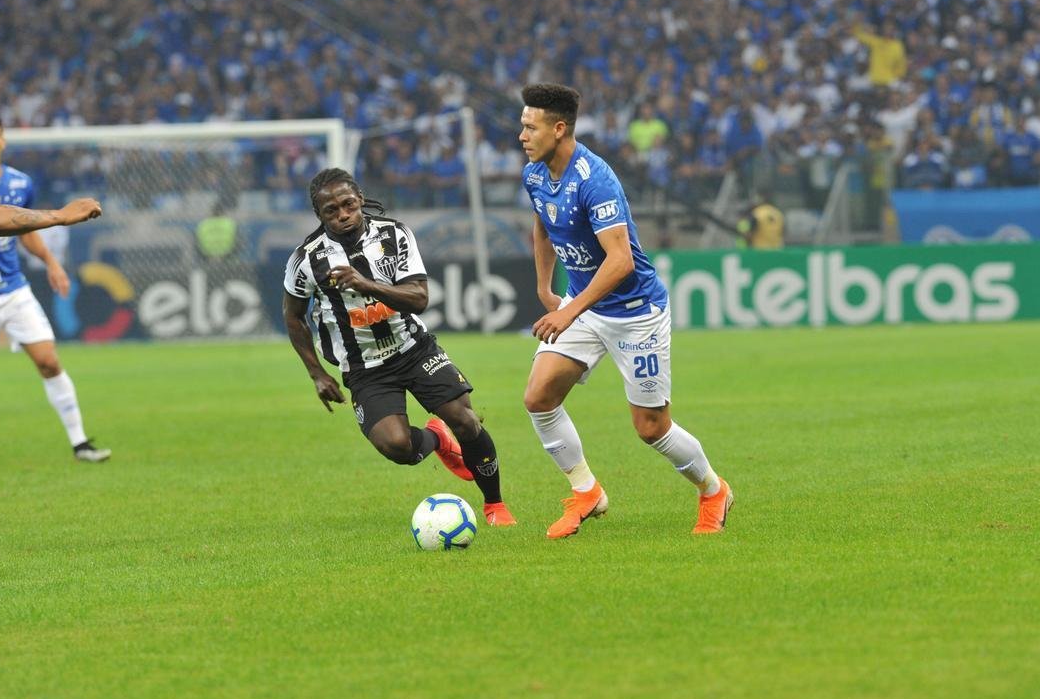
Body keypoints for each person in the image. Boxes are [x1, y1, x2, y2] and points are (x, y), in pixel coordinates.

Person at [517, 83, 733, 538]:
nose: (522, 135)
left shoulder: (596, 179)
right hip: (584, 306)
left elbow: (620, 261)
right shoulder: (535, 175)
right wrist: (544, 288)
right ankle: (586, 491)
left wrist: (568, 311)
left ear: (559, 129)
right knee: (538, 397)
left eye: (530, 127)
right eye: (522, 125)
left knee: (651, 427)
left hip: (636, 313)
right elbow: (542, 225)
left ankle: (713, 490)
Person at [282, 167, 515, 526]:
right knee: (398, 447)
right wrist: (316, 373)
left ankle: (495, 505)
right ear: (320, 215)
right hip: (364, 368)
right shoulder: (307, 260)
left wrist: (364, 284)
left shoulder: (393, 234)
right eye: (332, 211)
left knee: (465, 420)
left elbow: (419, 298)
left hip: (414, 348)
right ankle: (436, 439)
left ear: (360, 199)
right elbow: (293, 316)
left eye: (348, 205)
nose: (343, 215)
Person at [0, 116, 109, 466]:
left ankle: (79, 442)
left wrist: (50, 260)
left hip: (12, 289)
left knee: (47, 360)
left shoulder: (20, 182)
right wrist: (61, 215)